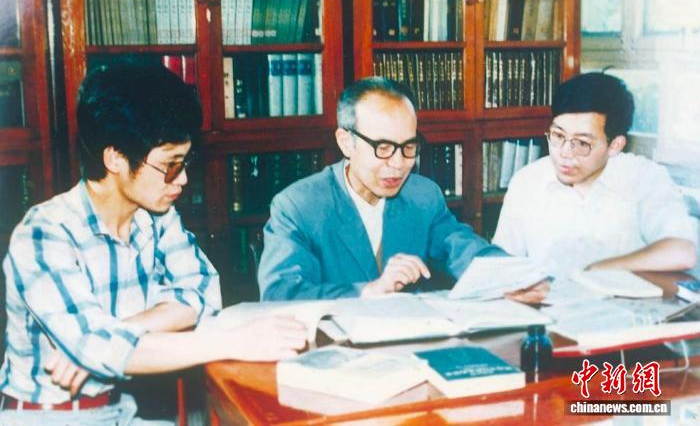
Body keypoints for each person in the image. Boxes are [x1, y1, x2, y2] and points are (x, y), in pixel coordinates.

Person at [0, 63, 307, 425]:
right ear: (115, 159)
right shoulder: (44, 233)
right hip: (47, 418)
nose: (183, 179)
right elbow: (100, 345)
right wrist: (235, 342)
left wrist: (112, 337)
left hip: (119, 411)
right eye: (170, 165)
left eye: (185, 162)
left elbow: (203, 292)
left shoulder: (158, 216)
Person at [258, 77, 547, 302]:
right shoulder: (299, 206)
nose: (398, 164)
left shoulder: (422, 196)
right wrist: (368, 291)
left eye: (409, 147)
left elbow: (462, 247)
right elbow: (280, 294)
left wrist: (513, 277)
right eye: (383, 148)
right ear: (346, 142)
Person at [493, 72, 697, 276]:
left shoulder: (644, 178)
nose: (565, 152)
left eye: (582, 143)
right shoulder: (526, 183)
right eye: (558, 135)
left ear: (615, 146)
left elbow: (683, 252)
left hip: (619, 296)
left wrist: (596, 270)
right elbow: (501, 267)